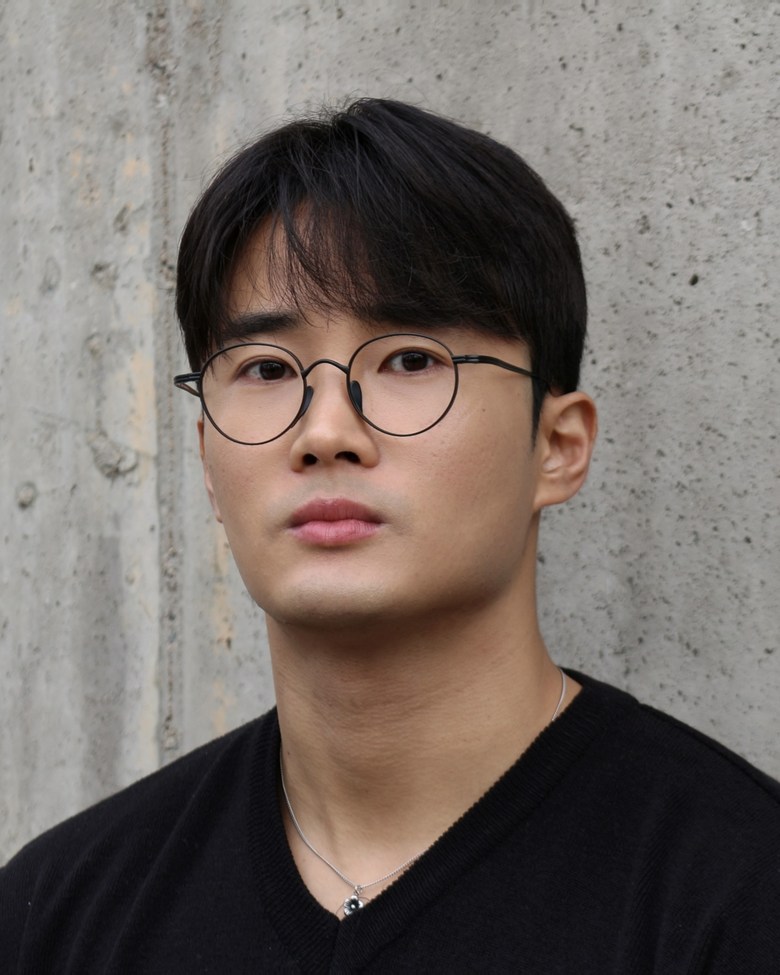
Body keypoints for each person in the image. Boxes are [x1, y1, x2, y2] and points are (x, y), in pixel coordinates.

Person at [1, 98, 778, 973]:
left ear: (557, 447)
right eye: (266, 368)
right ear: (209, 457)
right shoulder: (56, 918)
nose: (325, 430)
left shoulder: (735, 897)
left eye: (410, 359)